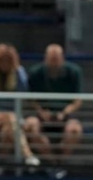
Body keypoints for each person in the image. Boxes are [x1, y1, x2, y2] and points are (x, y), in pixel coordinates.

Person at [24, 44, 84, 172]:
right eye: (51, 59)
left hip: (66, 113)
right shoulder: (36, 72)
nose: (54, 63)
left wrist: (64, 113)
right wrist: (41, 111)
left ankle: (62, 161)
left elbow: (78, 101)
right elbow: (30, 98)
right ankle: (52, 162)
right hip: (42, 113)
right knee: (30, 125)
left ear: (62, 58)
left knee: (74, 129)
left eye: (56, 59)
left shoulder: (74, 71)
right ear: (45, 58)